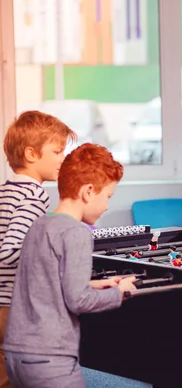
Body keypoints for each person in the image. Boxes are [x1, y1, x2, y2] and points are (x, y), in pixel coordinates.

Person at [3, 143, 138, 388]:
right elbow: (78, 301)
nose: (107, 205)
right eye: (107, 196)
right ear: (88, 191)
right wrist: (119, 293)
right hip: (49, 359)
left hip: (16, 355)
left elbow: (43, 282)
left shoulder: (40, 224)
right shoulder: (76, 232)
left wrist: (94, 284)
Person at [0, 110, 76, 388]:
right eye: (57, 152)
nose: (62, 159)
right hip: (12, 306)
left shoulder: (4, 191)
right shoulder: (34, 196)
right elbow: (10, 251)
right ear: (32, 154)